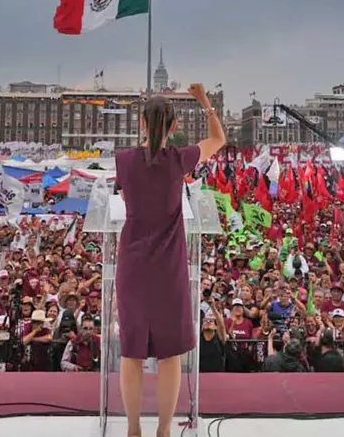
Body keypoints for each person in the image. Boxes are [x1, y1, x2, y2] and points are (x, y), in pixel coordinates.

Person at [114, 83, 225, 437]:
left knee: (131, 351)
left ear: (142, 124)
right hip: (169, 268)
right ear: (174, 126)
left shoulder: (123, 161)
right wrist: (204, 101)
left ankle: (133, 429)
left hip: (132, 266)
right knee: (170, 352)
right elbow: (218, 139)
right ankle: (164, 430)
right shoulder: (180, 159)